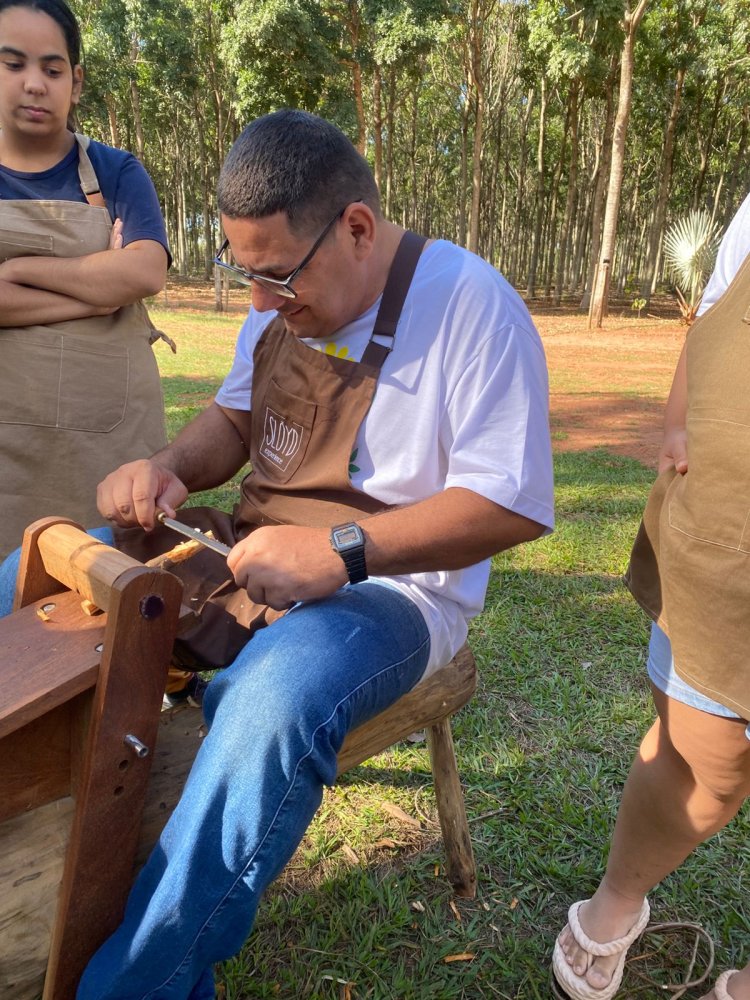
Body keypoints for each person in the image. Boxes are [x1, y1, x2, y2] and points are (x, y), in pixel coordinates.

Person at [54, 109, 555, 998]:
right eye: (245, 276)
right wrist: (168, 470)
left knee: (270, 702)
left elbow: (509, 503)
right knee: (72, 566)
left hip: (395, 595)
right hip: (250, 548)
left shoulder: (474, 306)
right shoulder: (279, 300)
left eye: (277, 278)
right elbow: (236, 421)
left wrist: (342, 552)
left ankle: (139, 982)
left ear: (357, 228)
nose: (260, 305)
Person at [552, 193, 750, 1000]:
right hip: (731, 540)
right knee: (700, 754)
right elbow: (717, 314)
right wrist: (678, 425)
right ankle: (617, 898)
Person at [0, 0, 170, 560]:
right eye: (13, 64)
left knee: (109, 600)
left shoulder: (118, 172)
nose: (34, 84)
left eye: (51, 70)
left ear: (75, 82)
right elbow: (118, 280)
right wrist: (96, 295)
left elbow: (145, 270)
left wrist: (19, 272)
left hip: (107, 446)